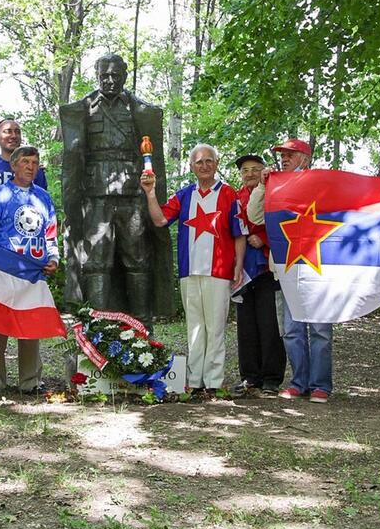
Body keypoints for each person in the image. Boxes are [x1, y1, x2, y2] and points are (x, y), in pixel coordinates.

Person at [59, 53, 174, 321]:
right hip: (95, 196)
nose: (109, 80)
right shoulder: (83, 108)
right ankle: (97, 328)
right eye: (104, 75)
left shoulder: (139, 109)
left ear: (124, 75)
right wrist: (72, 204)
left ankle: (142, 327)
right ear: (97, 76)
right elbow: (73, 159)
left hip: (133, 195)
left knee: (138, 260)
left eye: (115, 75)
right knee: (96, 262)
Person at [141, 144, 245, 398]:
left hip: (219, 270)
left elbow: (239, 234)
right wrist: (150, 193)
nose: (204, 165)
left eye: (209, 161)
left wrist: (238, 266)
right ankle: (195, 379)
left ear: (217, 163)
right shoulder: (185, 195)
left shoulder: (229, 195)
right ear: (191, 166)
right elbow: (160, 219)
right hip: (190, 270)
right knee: (195, 327)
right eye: (199, 162)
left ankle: (214, 381)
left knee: (216, 327)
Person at [246, 138, 334, 403]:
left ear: (305, 159)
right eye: (281, 155)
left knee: (319, 328)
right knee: (292, 328)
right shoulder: (275, 188)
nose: (283, 158)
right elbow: (254, 216)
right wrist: (262, 186)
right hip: (286, 266)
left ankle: (320, 385)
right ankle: (299, 382)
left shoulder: (320, 185)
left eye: (290, 155)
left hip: (318, 265)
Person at [0, 119, 47, 394]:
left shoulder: (43, 198)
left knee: (31, 322)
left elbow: (50, 231)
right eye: (25, 163)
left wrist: (54, 257)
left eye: (34, 164)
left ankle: (30, 381)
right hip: (0, 266)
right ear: (13, 166)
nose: (30, 167)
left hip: (32, 267)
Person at [231, 154, 285, 396]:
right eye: (245, 170)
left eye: (255, 169)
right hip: (242, 269)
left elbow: (282, 224)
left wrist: (262, 238)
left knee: (269, 322)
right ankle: (249, 377)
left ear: (263, 171)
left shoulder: (274, 193)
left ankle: (272, 377)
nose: (250, 174)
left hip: (266, 267)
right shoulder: (234, 197)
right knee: (246, 325)